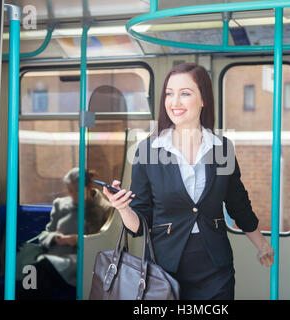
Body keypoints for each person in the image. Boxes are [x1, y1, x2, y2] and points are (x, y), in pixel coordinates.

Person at [102, 63, 275, 300]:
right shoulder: (147, 151)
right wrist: (122, 207)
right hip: (164, 269)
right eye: (169, 94)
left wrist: (262, 245)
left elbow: (239, 205)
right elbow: (140, 225)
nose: (175, 102)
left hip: (215, 267)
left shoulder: (222, 148)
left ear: (203, 99)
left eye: (185, 93)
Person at [17, 168, 114, 299]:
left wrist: (79, 240)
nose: (73, 195)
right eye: (70, 190)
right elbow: (46, 234)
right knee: (34, 270)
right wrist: (56, 238)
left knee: (40, 269)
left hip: (79, 260)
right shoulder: (60, 204)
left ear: (88, 187)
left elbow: (104, 242)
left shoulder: (104, 208)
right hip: (53, 254)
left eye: (77, 190)